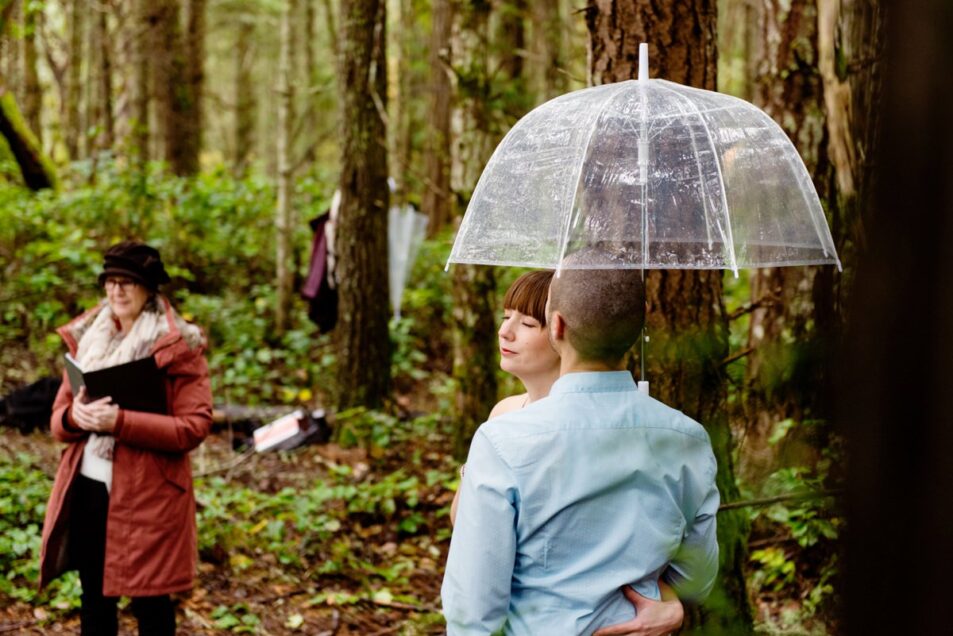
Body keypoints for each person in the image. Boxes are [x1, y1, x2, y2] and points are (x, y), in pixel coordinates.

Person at [442, 257, 720, 634]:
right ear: (641, 320)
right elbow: (697, 575)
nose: (507, 332)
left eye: (526, 322)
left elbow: (474, 606)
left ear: (556, 325)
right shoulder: (688, 438)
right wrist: (668, 604)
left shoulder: (504, 441)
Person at [39, 241, 213, 636]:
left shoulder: (177, 345)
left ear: (149, 289)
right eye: (110, 282)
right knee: (94, 599)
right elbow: (57, 421)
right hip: (87, 487)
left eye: (128, 283)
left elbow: (194, 427)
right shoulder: (90, 336)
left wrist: (121, 422)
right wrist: (75, 416)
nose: (117, 291)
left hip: (149, 494)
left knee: (151, 604)